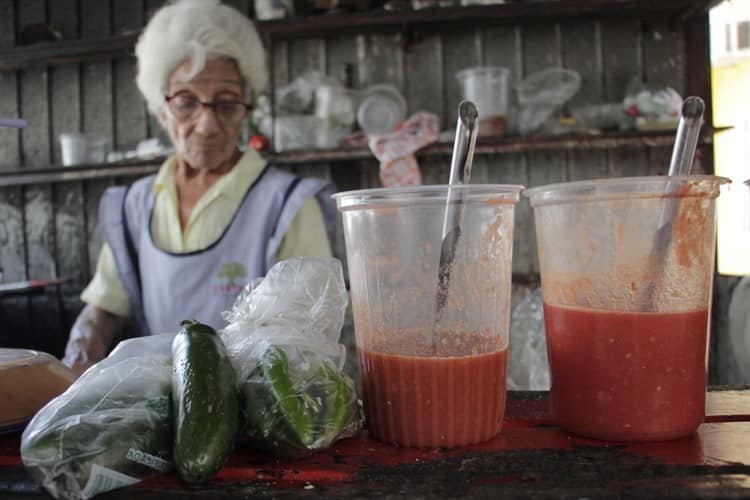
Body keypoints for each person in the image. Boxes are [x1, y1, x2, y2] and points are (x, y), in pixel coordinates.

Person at [62, 0, 333, 373]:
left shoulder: (286, 205)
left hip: (256, 415)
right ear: (161, 109)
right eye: (187, 102)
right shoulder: (135, 206)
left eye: (226, 103)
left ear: (246, 108)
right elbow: (106, 307)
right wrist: (77, 358)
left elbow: (306, 339)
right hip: (157, 405)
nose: (206, 125)